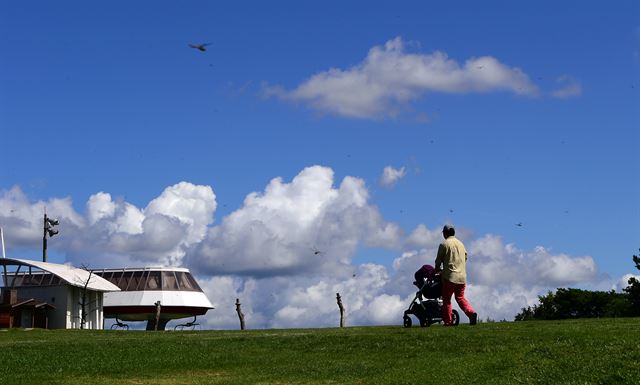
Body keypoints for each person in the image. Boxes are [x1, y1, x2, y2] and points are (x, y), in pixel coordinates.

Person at [434, 224, 478, 326]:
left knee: (447, 300)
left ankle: (448, 321)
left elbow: (438, 261)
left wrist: (437, 270)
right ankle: (471, 313)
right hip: (462, 277)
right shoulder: (461, 244)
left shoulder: (444, 244)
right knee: (460, 298)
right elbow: (465, 257)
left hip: (449, 277)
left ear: (445, 233)